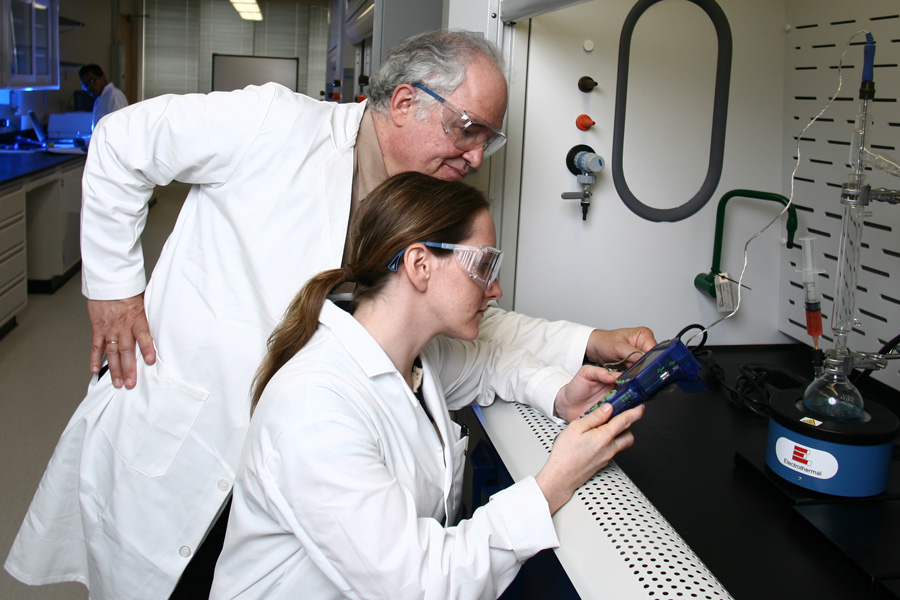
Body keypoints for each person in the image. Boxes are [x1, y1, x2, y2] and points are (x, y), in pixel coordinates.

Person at [5, 31, 656, 599]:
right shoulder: (272, 124)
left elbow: (467, 316)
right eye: (469, 129)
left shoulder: (412, 209)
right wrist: (115, 289)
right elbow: (121, 141)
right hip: (190, 436)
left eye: (489, 138)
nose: (477, 157)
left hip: (302, 466)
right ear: (405, 102)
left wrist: (585, 341)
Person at [210, 171, 644, 599]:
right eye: (483, 265)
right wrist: (554, 483)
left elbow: (492, 363)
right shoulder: (315, 412)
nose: (495, 289)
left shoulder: (415, 358)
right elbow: (418, 585)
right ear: (420, 265)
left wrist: (560, 394)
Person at [78, 64, 129, 130]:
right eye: (85, 85)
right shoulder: (99, 99)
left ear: (102, 77)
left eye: (91, 81)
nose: (89, 87)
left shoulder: (114, 95)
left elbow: (118, 127)